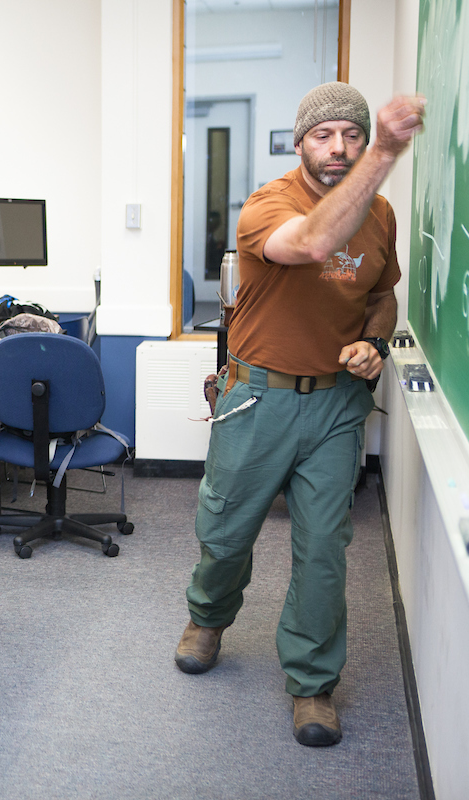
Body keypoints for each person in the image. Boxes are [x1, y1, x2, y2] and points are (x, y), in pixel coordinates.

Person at [174, 83, 426, 747]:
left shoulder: (382, 218)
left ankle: (313, 685)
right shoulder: (267, 205)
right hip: (259, 398)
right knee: (226, 533)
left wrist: (373, 343)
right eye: (325, 135)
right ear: (299, 141)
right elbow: (313, 243)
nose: (339, 148)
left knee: (324, 553)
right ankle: (208, 615)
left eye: (353, 134)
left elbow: (381, 297)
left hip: (338, 405)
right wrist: (386, 150)